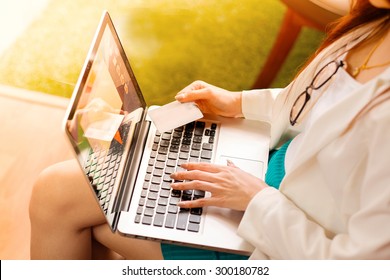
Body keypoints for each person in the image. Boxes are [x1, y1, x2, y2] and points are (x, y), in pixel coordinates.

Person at [29, 0, 390, 259]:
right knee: (69, 193)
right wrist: (238, 104)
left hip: (278, 237)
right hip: (268, 171)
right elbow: (326, 103)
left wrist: (255, 200)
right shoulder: (376, 21)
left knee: (65, 205)